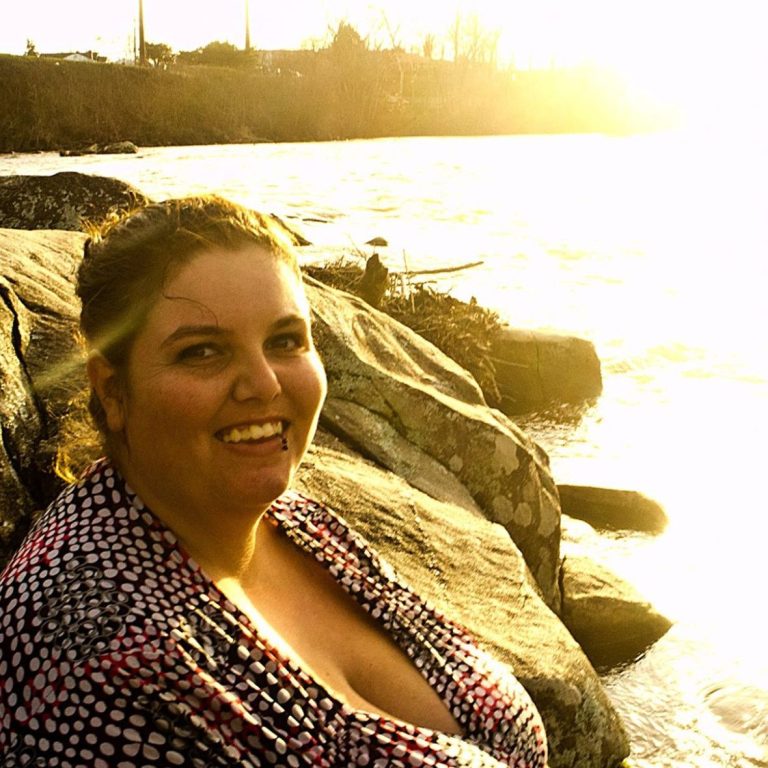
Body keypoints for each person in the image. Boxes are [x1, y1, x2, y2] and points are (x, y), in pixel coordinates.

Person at [0, 196, 548, 767]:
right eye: (202, 351)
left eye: (286, 341)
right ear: (113, 390)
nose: (263, 384)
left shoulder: (295, 523)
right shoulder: (78, 650)